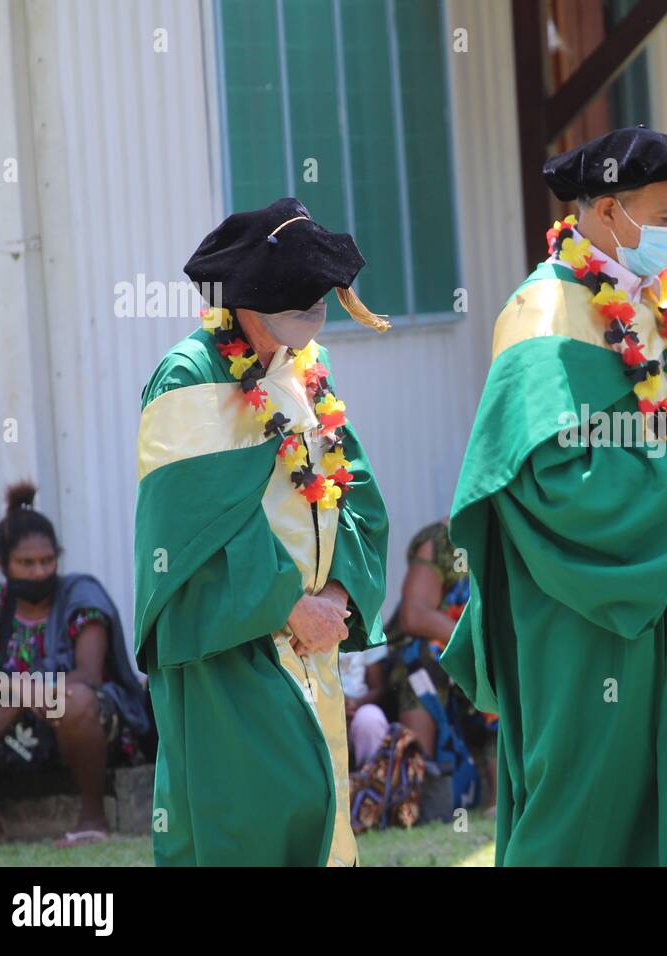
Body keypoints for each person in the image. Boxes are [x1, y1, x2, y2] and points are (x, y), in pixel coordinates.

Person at [442, 127, 667, 866]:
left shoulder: (653, 303)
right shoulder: (545, 316)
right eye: (665, 216)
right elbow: (551, 480)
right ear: (610, 209)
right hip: (584, 612)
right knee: (586, 807)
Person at [134, 197, 390, 866]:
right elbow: (195, 530)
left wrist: (337, 594)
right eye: (295, 305)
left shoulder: (306, 365)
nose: (310, 320)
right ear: (246, 298)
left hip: (315, 641)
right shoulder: (190, 375)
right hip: (234, 645)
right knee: (255, 822)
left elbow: (351, 484)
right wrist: (287, 605)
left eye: (317, 305)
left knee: (321, 819)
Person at [0, 482, 150, 848]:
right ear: (3, 565)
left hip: (85, 727)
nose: (38, 572)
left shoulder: (81, 596)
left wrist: (15, 701)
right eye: (26, 563)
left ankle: (92, 819)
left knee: (74, 698)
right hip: (7, 734)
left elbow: (88, 676)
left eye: (47, 561)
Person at [387, 518, 495, 817]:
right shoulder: (444, 540)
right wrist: (477, 646)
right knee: (422, 664)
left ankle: (503, 801)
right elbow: (415, 615)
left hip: (496, 657)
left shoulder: (530, 535)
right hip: (440, 658)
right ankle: (418, 794)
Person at [340, 643, 389, 767]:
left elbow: (377, 688)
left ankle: (371, 778)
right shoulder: (308, 631)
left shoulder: (367, 628)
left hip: (356, 709)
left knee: (371, 719)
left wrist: (355, 703)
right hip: (319, 712)